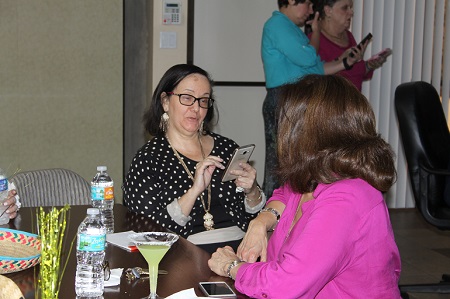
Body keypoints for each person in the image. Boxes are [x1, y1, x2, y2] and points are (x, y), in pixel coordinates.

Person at [208, 74, 402, 298]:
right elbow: (284, 193)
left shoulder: (346, 198)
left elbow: (283, 286)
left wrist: (232, 267)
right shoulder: (317, 174)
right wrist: (262, 221)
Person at [122, 64, 266, 254]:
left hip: (243, 250)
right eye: (187, 98)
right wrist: (194, 191)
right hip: (184, 255)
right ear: (165, 101)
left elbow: (257, 217)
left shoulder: (227, 148)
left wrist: (252, 191)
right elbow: (146, 234)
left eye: (203, 100)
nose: (196, 108)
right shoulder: (148, 159)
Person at [261, 0, 362, 199]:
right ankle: (272, 212)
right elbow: (308, 58)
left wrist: (345, 63)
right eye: (307, 4)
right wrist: (315, 34)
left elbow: (316, 68)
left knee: (299, 159)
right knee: (280, 161)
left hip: (296, 98)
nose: (309, 10)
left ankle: (293, 210)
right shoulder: (277, 25)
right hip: (283, 98)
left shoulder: (293, 29)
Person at [308, 0, 390, 91]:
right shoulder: (314, 40)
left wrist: (369, 65)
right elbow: (314, 78)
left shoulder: (348, 36)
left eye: (351, 8)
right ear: (328, 10)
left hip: (354, 103)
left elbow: (354, 74)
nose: (351, 13)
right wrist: (341, 60)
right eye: (345, 8)